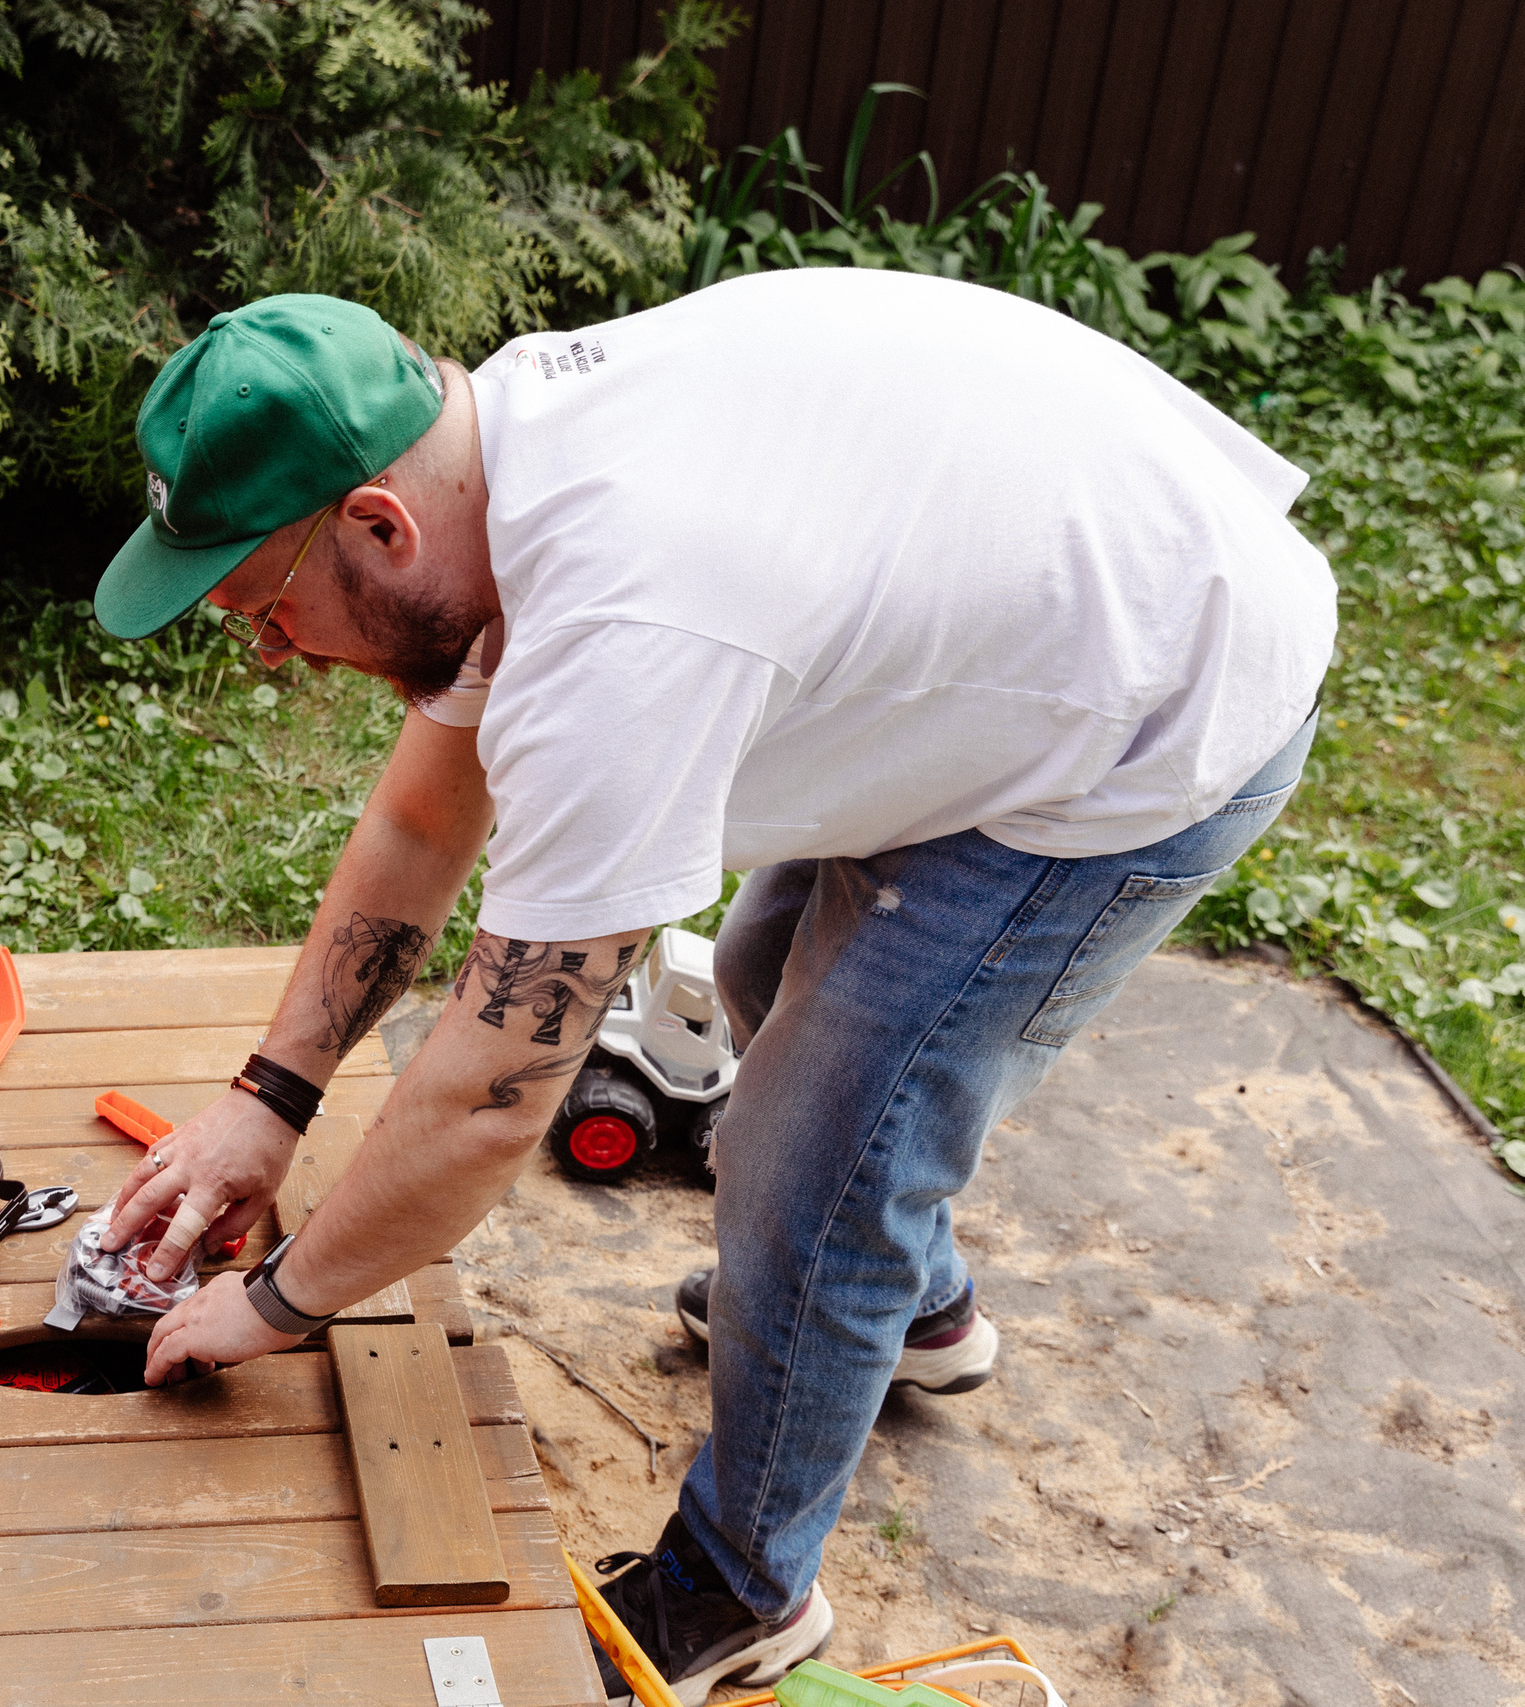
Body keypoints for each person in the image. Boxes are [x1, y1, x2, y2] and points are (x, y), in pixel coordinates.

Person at [88, 281, 1334, 1702]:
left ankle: (743, 1583)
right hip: (1026, 618)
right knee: (751, 973)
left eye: (267, 604)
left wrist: (283, 1301)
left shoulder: (621, 630)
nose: (269, 651)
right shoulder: (498, 471)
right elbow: (423, 827)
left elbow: (495, 1097)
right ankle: (912, 1319)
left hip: (1152, 710)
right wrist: (273, 1095)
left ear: (379, 524)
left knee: (814, 1169)